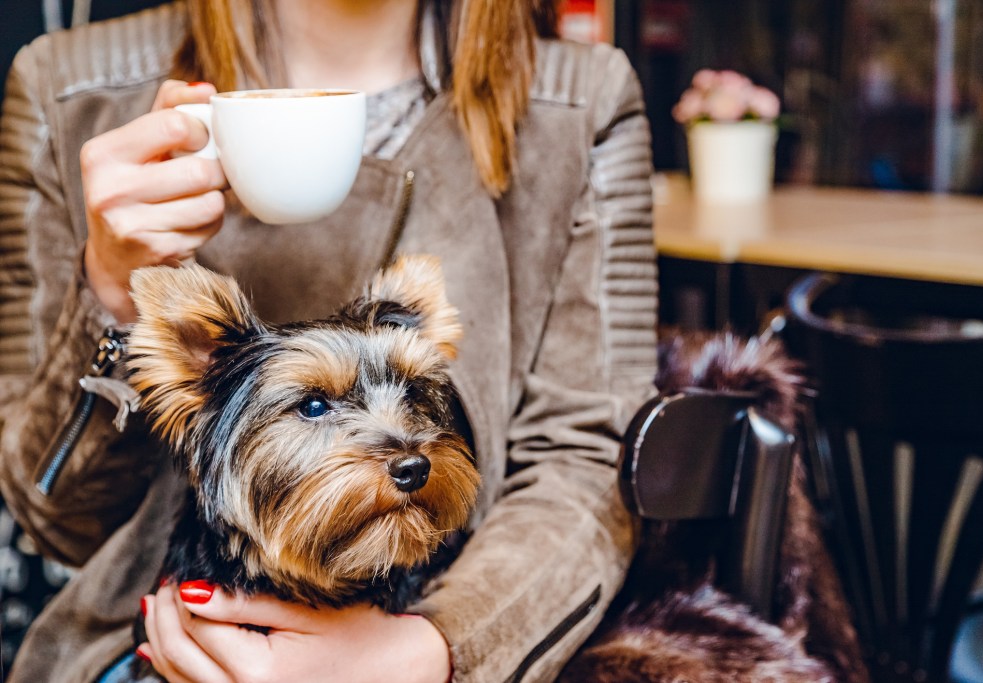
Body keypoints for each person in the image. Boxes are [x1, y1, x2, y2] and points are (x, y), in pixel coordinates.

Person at [0, 0, 658, 681]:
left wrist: (435, 652)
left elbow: (588, 467)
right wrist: (109, 288)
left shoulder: (582, 100)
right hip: (153, 644)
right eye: (315, 405)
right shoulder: (68, 87)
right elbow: (57, 521)